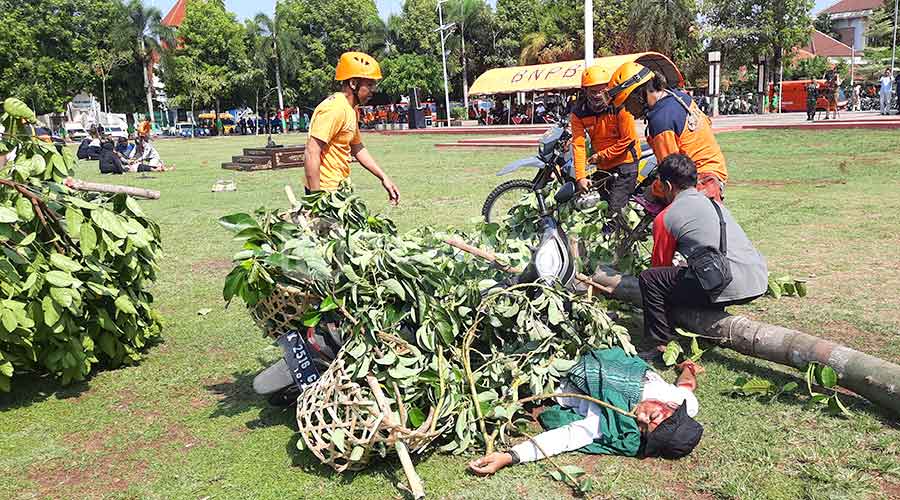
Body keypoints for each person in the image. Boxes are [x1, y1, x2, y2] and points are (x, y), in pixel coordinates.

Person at [468, 346, 704, 475]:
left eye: (643, 429)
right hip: (599, 350)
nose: (640, 418)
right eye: (651, 416)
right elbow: (686, 385)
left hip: (565, 372)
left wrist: (510, 456)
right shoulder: (684, 402)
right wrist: (689, 367)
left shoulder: (612, 423)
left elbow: (565, 438)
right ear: (671, 407)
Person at [636, 154, 767, 357]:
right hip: (757, 279)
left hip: (729, 282)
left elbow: (658, 266)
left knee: (650, 279)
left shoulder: (667, 216)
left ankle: (660, 344)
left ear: (667, 186)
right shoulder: (715, 204)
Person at [607, 62, 728, 202]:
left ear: (639, 94)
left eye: (626, 104)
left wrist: (651, 192)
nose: (628, 111)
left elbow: (672, 173)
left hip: (699, 182)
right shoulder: (677, 97)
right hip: (713, 171)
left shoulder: (661, 121)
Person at [303, 51, 399, 203]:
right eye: (369, 84)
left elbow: (357, 147)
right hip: (324, 191)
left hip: (339, 189)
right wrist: (317, 200)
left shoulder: (351, 109)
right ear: (353, 83)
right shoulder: (334, 108)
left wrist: (383, 177)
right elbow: (311, 152)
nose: (373, 90)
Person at [570, 64, 642, 230]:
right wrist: (580, 177)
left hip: (626, 163)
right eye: (592, 91)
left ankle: (619, 249)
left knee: (615, 211)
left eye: (601, 90)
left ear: (608, 88)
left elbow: (628, 139)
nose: (597, 95)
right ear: (585, 91)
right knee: (593, 207)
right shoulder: (578, 113)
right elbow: (579, 144)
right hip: (603, 167)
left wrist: (601, 156)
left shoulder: (620, 105)